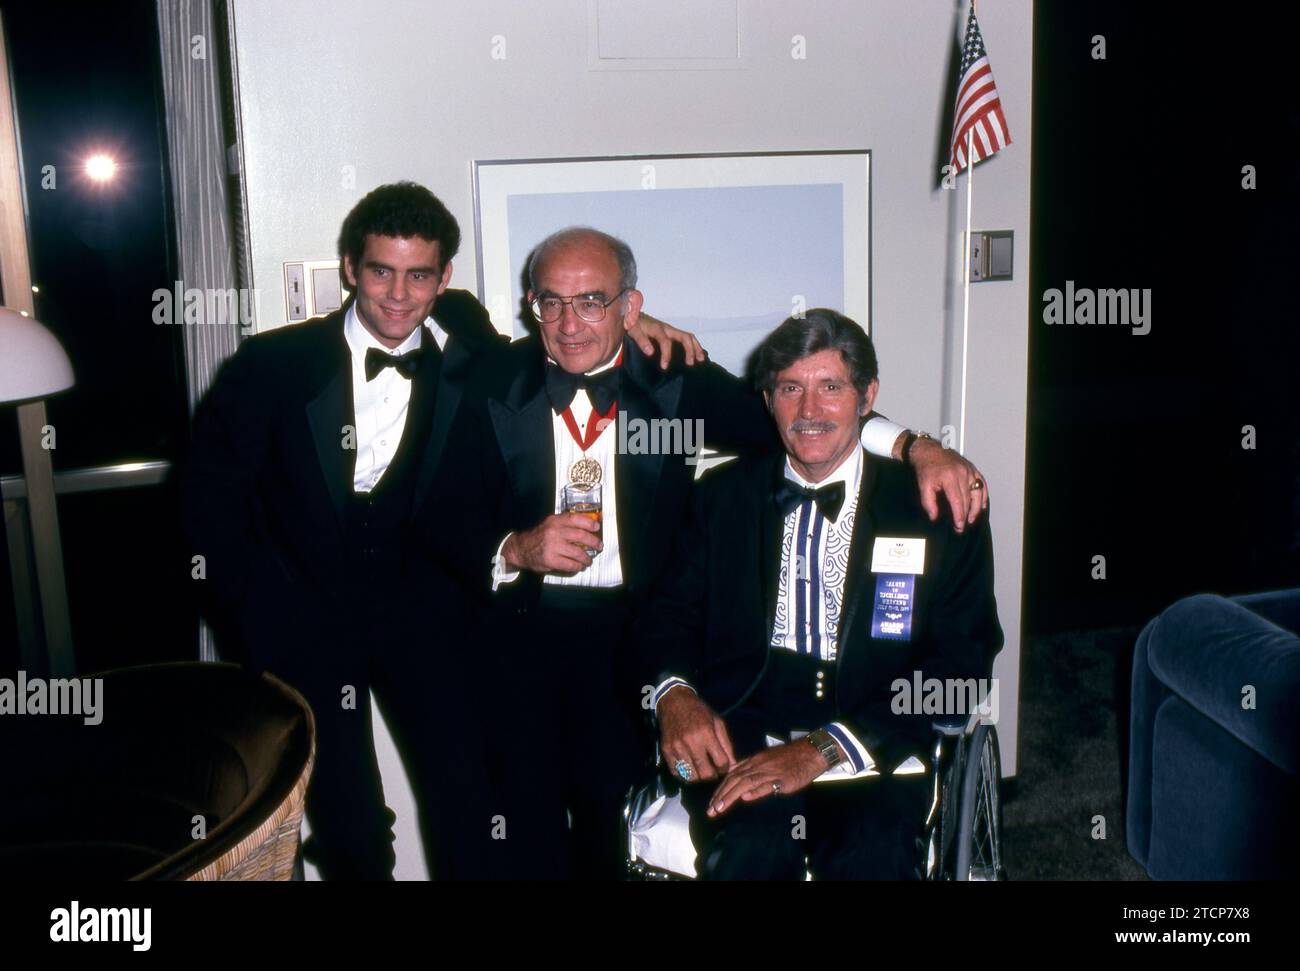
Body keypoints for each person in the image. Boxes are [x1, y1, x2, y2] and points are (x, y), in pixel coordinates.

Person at [426, 228, 991, 879]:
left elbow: (793, 422)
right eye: (553, 302)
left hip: (628, 631)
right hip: (525, 626)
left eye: (592, 302)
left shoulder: (676, 385)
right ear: (532, 304)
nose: (570, 322)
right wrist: (515, 547)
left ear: (629, 308)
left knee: (612, 817)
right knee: (512, 823)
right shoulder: (494, 378)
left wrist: (919, 446)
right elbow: (439, 509)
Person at [180, 184, 693, 879]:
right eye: (381, 272)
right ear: (351, 270)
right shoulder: (272, 365)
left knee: (473, 808)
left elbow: (572, 329)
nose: (398, 294)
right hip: (303, 619)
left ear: (444, 277)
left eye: (419, 274)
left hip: (424, 616)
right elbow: (207, 508)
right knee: (352, 826)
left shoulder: (473, 352)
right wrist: (260, 619)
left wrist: (634, 317)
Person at [632, 308, 1004, 880]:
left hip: (878, 743)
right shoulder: (722, 498)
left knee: (871, 860)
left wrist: (823, 750)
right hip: (745, 738)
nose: (809, 411)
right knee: (754, 855)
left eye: (831, 387)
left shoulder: (935, 509)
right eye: (790, 389)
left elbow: (960, 666)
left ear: (867, 395)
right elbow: (666, 615)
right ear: (767, 400)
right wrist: (674, 693)